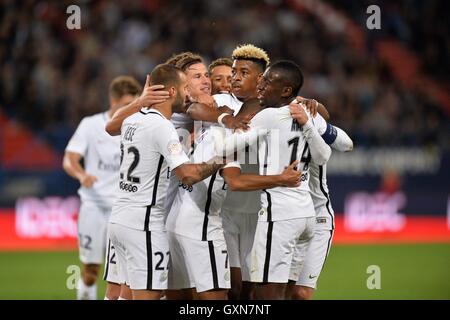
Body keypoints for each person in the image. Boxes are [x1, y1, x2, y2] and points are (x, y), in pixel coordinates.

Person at [214, 60, 332, 299]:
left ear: (286, 91)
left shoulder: (267, 116)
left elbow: (228, 147)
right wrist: (311, 118)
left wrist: (224, 126)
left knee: (267, 295)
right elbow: (335, 148)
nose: (260, 86)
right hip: (306, 216)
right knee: (287, 293)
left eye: (266, 82)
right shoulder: (309, 116)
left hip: (280, 217)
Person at [108, 63, 224, 300]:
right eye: (184, 87)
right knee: (148, 296)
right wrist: (221, 160)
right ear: (172, 92)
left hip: (119, 220)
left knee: (124, 295)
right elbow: (188, 175)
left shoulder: (131, 120)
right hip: (145, 225)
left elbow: (111, 126)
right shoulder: (163, 127)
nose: (187, 93)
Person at [166, 125, 301, 300]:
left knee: (183, 296)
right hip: (202, 226)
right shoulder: (225, 143)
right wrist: (281, 179)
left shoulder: (203, 133)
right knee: (217, 295)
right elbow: (235, 181)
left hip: (176, 221)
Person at [62, 76, 142, 300]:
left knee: (122, 275)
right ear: (113, 100)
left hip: (123, 210)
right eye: (125, 104)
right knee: (90, 271)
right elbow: (70, 158)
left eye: (133, 104)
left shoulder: (138, 127)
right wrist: (81, 174)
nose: (129, 109)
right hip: (94, 207)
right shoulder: (90, 125)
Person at [286, 101, 353, 300]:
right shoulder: (264, 118)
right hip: (281, 215)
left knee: (301, 293)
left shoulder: (308, 115)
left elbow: (347, 144)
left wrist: (315, 115)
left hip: (318, 216)